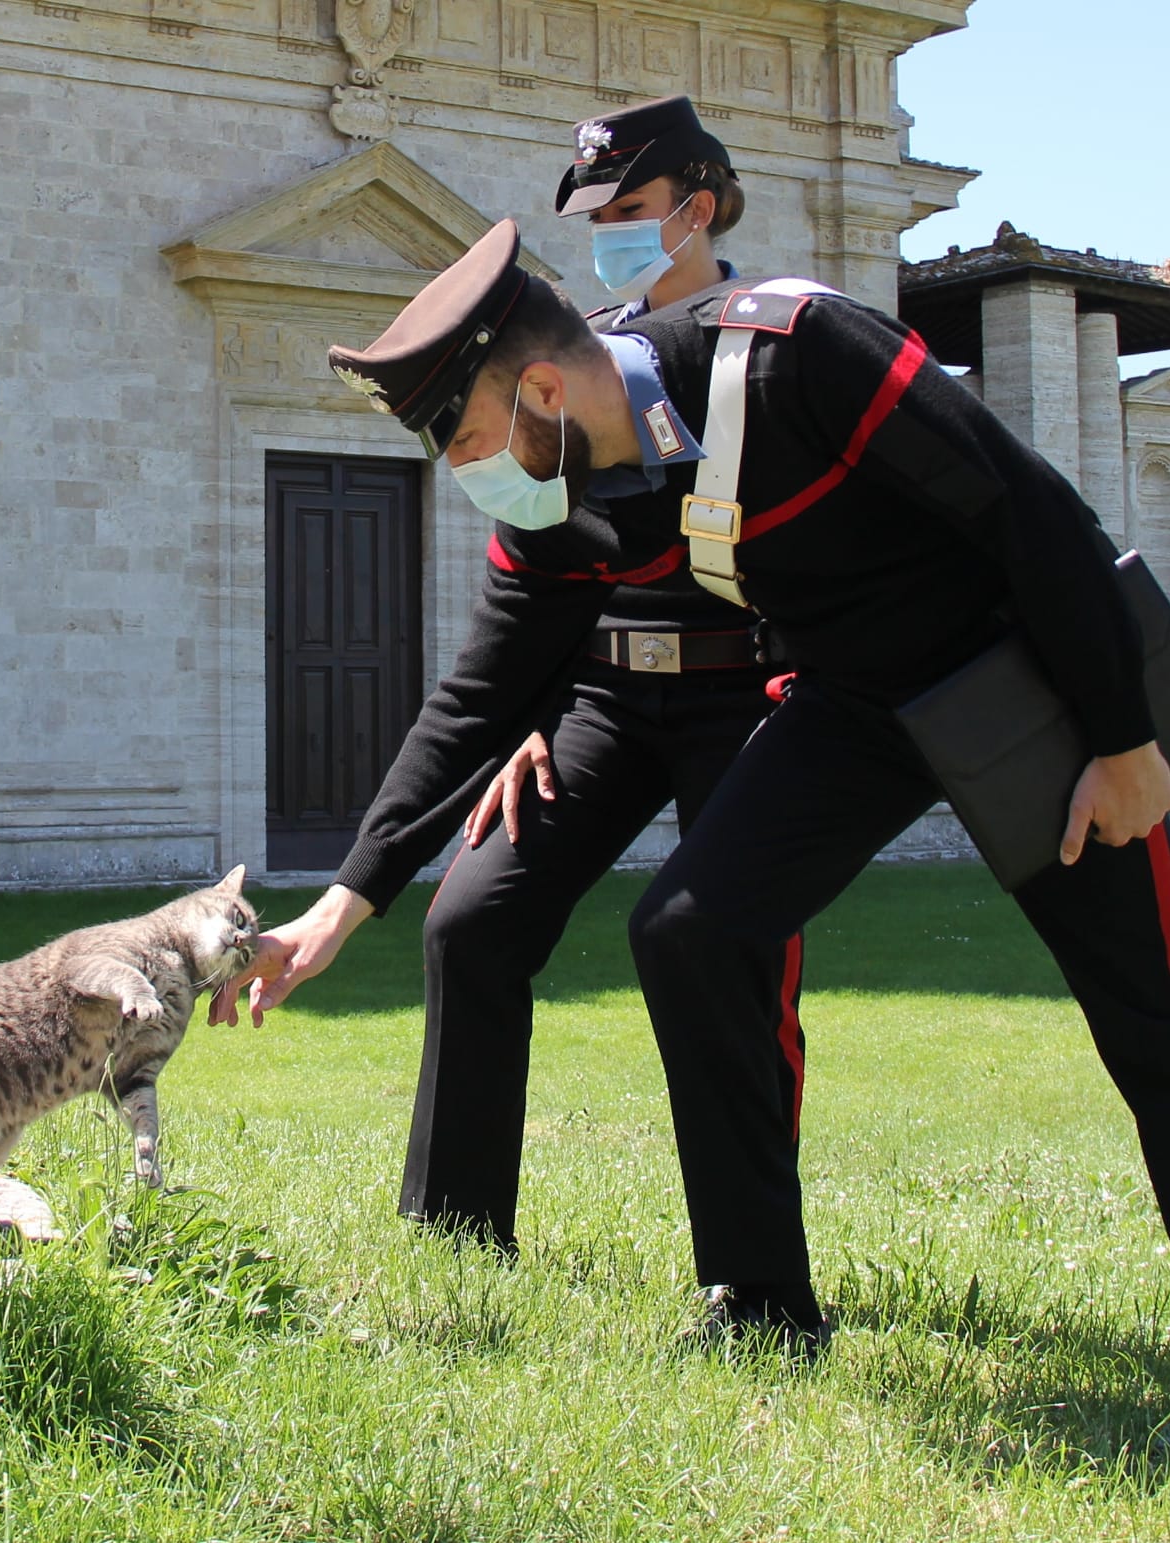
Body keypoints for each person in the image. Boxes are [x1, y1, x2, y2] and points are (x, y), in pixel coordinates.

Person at [229, 217, 1170, 1418]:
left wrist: (1121, 741)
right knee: (689, 929)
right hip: (851, 706)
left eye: (473, 441)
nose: (478, 475)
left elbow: (1031, 513)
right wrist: (341, 903)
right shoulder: (568, 499)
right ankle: (761, 1308)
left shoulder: (798, 349)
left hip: (1022, 678)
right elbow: (481, 689)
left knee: (1154, 1011)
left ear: (540, 385)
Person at [399, 97, 809, 1261]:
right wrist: (528, 718)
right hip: (603, 697)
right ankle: (454, 1236)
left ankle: (752, 1267)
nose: (609, 236)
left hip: (745, 693)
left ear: (697, 207)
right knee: (471, 920)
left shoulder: (766, 345)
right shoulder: (570, 351)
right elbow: (545, 562)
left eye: (630, 211)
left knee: (726, 958)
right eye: (594, 216)